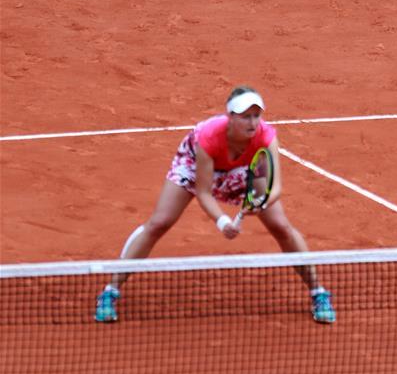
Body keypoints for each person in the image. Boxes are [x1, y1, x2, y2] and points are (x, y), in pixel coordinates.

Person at [94, 87, 335, 325]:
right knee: (159, 223)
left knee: (281, 226)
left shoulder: (265, 136)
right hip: (195, 164)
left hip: (244, 168)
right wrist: (222, 221)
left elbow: (276, 187)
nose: (253, 122)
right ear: (230, 117)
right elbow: (203, 192)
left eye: (256, 115)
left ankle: (318, 292)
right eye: (246, 116)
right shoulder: (209, 136)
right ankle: (110, 291)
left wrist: (260, 204)